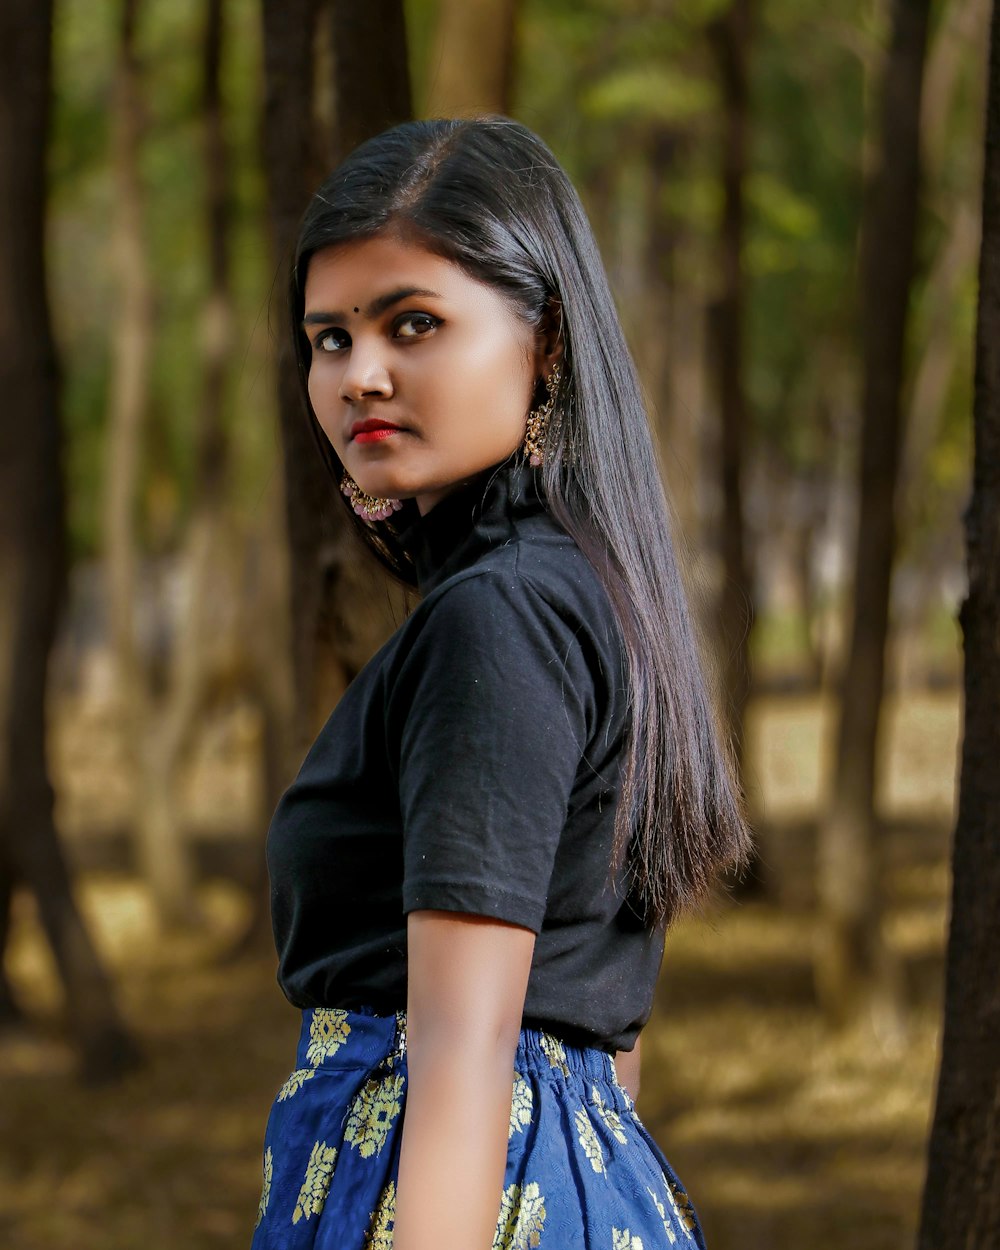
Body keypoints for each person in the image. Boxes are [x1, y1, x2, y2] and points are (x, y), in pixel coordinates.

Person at [251, 116, 751, 1250]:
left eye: (411, 322)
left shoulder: (501, 616)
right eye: (327, 337)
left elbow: (466, 1047)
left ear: (549, 342)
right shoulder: (584, 586)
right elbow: (604, 1025)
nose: (358, 375)